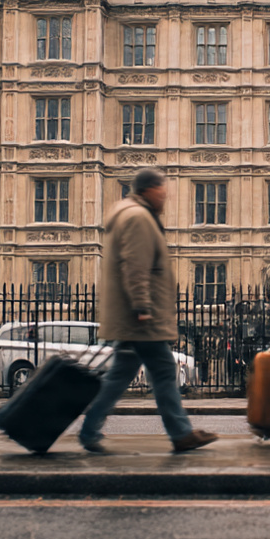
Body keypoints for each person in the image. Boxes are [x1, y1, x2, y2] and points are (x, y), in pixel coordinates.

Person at [81, 168, 218, 454]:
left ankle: (89, 429)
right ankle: (180, 433)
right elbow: (136, 266)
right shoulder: (139, 218)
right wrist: (142, 306)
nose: (165, 197)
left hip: (132, 318)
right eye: (162, 191)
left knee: (119, 376)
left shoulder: (130, 214)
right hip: (141, 318)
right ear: (148, 190)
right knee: (165, 370)